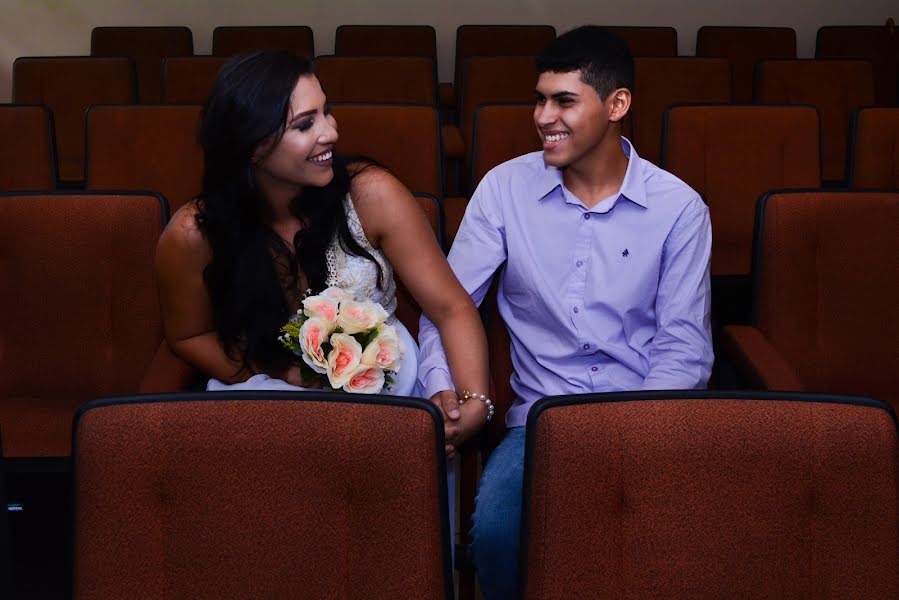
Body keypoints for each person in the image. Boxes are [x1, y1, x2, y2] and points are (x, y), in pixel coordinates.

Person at [418, 26, 714, 598]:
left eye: (564, 101)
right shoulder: (503, 190)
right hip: (539, 424)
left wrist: (631, 438)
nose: (543, 116)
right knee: (501, 535)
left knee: (663, 545)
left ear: (617, 105)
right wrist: (441, 389)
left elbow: (683, 348)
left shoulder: (679, 208)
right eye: (539, 98)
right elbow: (445, 306)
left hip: (643, 418)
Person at [155, 50, 488, 455]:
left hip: (385, 386)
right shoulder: (193, 234)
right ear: (252, 147)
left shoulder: (372, 194)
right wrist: (286, 373)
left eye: (326, 112)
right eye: (305, 124)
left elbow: (451, 307)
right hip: (267, 389)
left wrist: (474, 400)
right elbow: (188, 335)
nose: (331, 131)